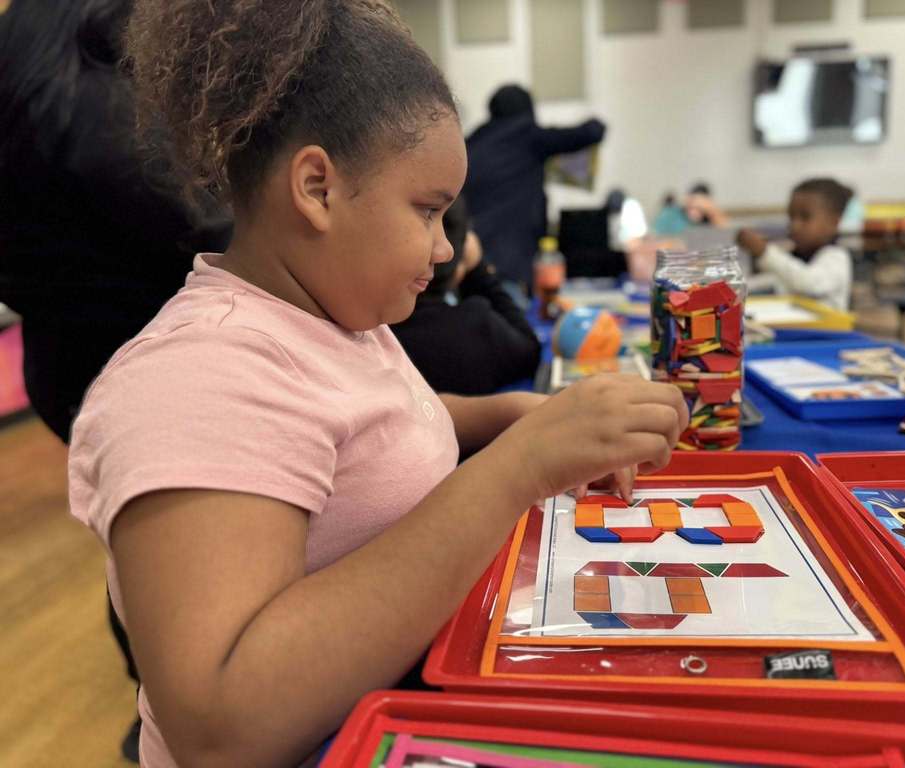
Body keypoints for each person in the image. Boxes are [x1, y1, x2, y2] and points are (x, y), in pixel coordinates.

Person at [67, 3, 688, 767]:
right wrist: (517, 466)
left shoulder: (339, 320)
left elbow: (385, 429)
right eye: (427, 211)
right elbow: (219, 725)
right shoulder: (197, 376)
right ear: (318, 188)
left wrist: (515, 416)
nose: (441, 246)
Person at [0, 1, 231, 760]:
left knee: (135, 546)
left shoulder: (28, 46)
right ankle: (181, 712)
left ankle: (159, 705)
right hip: (149, 365)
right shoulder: (105, 67)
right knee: (186, 560)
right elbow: (200, 221)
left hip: (70, 366)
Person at [463, 84, 606, 295]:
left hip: (471, 256)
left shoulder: (473, 142)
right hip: (511, 261)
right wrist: (597, 121)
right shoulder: (527, 136)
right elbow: (590, 133)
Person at [391, 195, 541, 395]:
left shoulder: (372, 329)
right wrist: (477, 270)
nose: (443, 249)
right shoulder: (475, 326)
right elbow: (530, 351)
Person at [737, 178, 854, 312]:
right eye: (791, 217)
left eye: (805, 217)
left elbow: (808, 282)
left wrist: (765, 252)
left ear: (834, 222)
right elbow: (774, 282)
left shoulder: (836, 257)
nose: (794, 225)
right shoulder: (796, 256)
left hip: (827, 331)